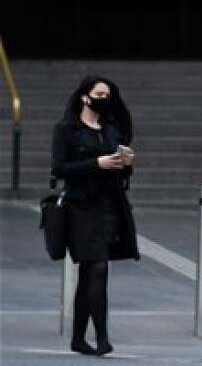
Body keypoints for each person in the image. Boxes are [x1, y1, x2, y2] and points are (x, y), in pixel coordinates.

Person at [51, 75, 139, 356]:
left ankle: (78, 338)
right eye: (99, 94)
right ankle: (102, 338)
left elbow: (123, 172)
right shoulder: (67, 129)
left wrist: (125, 163)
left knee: (91, 272)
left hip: (108, 204)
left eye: (107, 95)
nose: (104, 99)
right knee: (98, 265)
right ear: (84, 97)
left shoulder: (111, 129)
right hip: (80, 206)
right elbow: (60, 168)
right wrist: (96, 163)